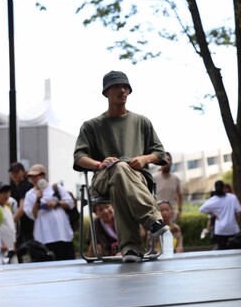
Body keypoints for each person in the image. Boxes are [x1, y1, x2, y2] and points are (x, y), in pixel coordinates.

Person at [73, 70, 170, 263]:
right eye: (117, 86)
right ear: (106, 92)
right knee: (118, 169)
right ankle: (153, 220)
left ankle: (131, 249)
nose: (123, 90)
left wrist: (143, 159)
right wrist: (99, 164)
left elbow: (160, 154)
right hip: (103, 178)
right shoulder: (91, 125)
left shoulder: (142, 121)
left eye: (126, 87)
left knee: (120, 178)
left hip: (136, 178)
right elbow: (79, 157)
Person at [23, 164, 76, 261]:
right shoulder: (29, 194)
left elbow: (70, 202)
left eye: (37, 176)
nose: (34, 179)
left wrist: (56, 203)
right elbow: (32, 215)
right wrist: (37, 200)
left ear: (43, 175)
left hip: (62, 233)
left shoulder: (55, 187)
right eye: (31, 177)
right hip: (43, 235)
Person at [199, 180, 241, 250]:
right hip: (233, 228)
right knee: (235, 250)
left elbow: (201, 209)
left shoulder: (213, 200)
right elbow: (238, 211)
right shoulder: (232, 197)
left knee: (222, 249)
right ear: (223, 187)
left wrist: (213, 213)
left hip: (220, 230)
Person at [8, 162, 34, 262]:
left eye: (17, 171)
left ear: (23, 172)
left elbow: (22, 208)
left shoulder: (24, 186)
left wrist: (10, 221)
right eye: (12, 172)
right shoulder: (20, 186)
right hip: (26, 225)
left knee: (31, 251)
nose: (14, 174)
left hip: (29, 225)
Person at [0, 182, 18, 264]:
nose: (5, 195)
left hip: (10, 247)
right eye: (2, 193)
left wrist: (13, 244)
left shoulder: (7, 207)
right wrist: (2, 244)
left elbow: (11, 227)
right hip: (2, 249)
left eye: (7, 192)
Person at [153, 152, 183, 221]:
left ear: (171, 162)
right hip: (158, 217)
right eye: (164, 159)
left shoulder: (176, 179)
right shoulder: (154, 179)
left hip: (171, 217)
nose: (166, 161)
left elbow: (180, 196)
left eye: (168, 159)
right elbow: (151, 197)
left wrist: (180, 211)